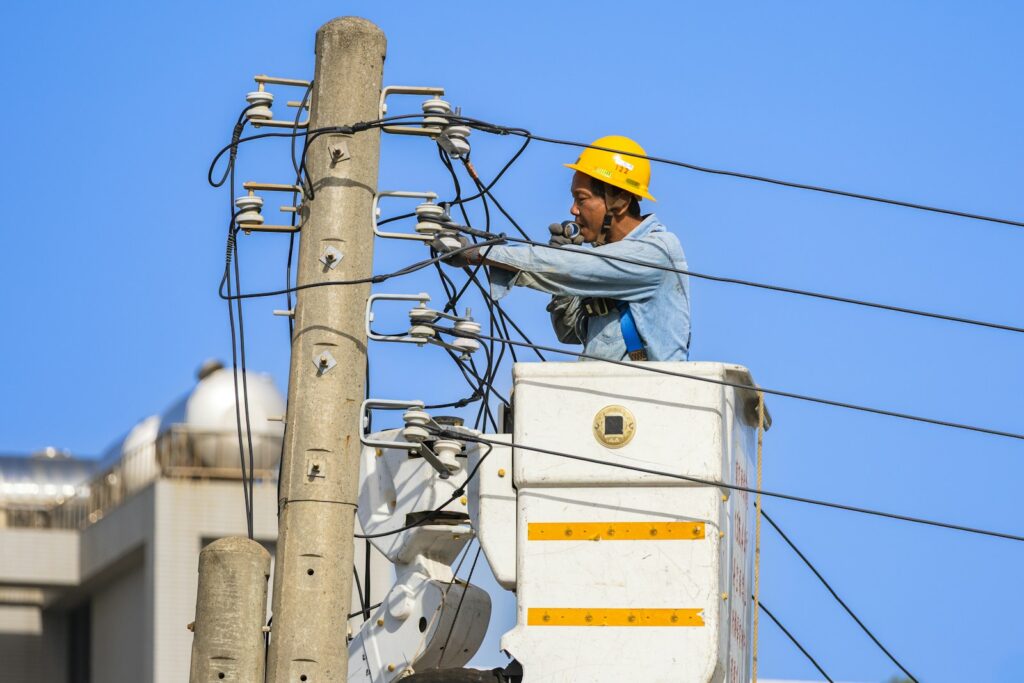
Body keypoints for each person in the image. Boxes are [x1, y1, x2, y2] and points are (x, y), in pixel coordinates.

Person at [440, 135, 691, 362]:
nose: (573, 210)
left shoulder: (657, 251)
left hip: (648, 402)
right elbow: (568, 331)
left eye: (581, 199)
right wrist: (565, 285)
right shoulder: (603, 262)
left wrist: (480, 254)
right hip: (603, 398)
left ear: (619, 202)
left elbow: (568, 267)